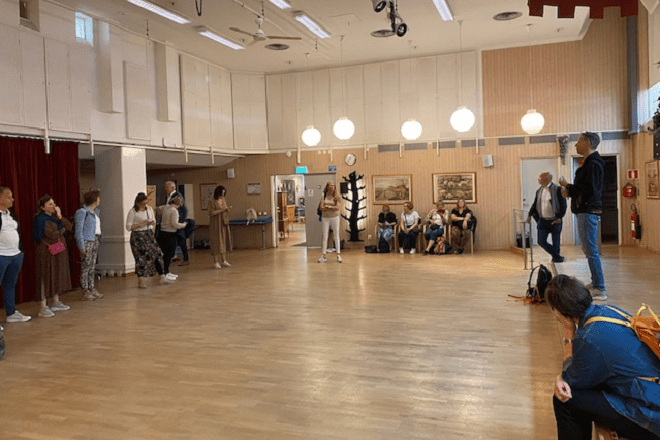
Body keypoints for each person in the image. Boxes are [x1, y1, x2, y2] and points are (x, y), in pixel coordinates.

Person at [547, 275, 660, 440]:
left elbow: (569, 383)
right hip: (652, 391)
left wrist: (569, 335)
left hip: (651, 413)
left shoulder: (588, 338)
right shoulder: (609, 310)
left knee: (565, 400)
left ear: (563, 312)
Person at [559, 132, 606, 300]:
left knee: (591, 250)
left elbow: (589, 190)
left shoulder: (593, 164)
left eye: (579, 142)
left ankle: (599, 287)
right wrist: (569, 188)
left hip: (587, 211)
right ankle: (596, 283)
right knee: (589, 249)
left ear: (587, 143)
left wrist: (568, 189)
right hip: (585, 210)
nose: (576, 145)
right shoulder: (590, 163)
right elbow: (585, 188)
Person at [33, 195, 72, 318]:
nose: (53, 206)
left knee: (56, 274)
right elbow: (50, 234)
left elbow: (69, 227)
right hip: (45, 251)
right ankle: (43, 306)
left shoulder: (55, 218)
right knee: (45, 276)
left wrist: (60, 216)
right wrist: (62, 231)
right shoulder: (40, 219)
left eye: (53, 203)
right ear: (42, 207)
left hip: (57, 250)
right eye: (49, 204)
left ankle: (55, 301)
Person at [126, 193, 174, 288]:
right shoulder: (132, 212)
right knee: (141, 258)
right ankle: (141, 281)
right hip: (138, 236)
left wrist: (151, 223)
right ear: (138, 202)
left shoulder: (149, 209)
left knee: (157, 253)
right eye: (142, 204)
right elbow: (128, 227)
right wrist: (141, 224)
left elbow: (153, 221)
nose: (144, 206)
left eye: (146, 203)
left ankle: (162, 276)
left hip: (148, 234)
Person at [0, 187, 31, 323]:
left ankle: (11, 314)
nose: (12, 199)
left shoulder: (11, 215)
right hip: (1, 255)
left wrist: (21, 252)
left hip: (15, 255)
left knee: (10, 285)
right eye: (8, 196)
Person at [527, 172, 567, 263]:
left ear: (546, 179)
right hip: (543, 221)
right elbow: (535, 204)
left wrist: (559, 217)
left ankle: (557, 259)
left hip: (555, 221)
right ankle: (557, 256)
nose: (538, 180)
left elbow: (563, 205)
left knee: (556, 242)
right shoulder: (539, 190)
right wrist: (529, 215)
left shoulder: (557, 189)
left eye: (540, 178)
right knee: (541, 241)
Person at [74, 189, 103, 300]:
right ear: (94, 200)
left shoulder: (95, 212)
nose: (99, 200)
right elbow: (78, 230)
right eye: (98, 198)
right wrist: (81, 246)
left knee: (92, 266)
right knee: (86, 266)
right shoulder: (82, 212)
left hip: (95, 240)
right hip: (87, 241)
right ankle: (85, 290)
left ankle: (92, 287)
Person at [158, 196, 188, 277]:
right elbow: (174, 224)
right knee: (170, 253)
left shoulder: (165, 207)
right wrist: (184, 225)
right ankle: (166, 272)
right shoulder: (174, 211)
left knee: (165, 253)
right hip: (170, 233)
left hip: (162, 233)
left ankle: (165, 271)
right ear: (179, 203)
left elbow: (156, 209)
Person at [164, 181, 189, 266]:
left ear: (172, 187)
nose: (165, 189)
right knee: (173, 240)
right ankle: (173, 256)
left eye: (167, 187)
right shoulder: (168, 196)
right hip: (171, 222)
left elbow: (184, 209)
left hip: (177, 221)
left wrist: (179, 221)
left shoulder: (178, 196)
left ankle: (186, 258)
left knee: (181, 240)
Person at [208, 185, 231, 269]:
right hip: (215, 223)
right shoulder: (211, 201)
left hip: (223, 222)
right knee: (216, 241)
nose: (223, 195)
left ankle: (223, 260)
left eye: (224, 193)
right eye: (222, 193)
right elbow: (211, 213)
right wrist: (222, 210)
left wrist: (227, 209)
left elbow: (225, 208)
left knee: (223, 241)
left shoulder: (223, 200)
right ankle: (215, 261)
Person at [318, 182, 342, 263]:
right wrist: (330, 208)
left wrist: (328, 207)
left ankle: (338, 255)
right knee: (325, 236)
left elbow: (337, 207)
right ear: (327, 187)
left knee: (336, 235)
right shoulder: (323, 195)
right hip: (325, 217)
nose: (332, 187)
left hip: (335, 217)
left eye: (333, 185)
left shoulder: (336, 196)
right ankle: (323, 255)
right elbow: (321, 207)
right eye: (330, 185)